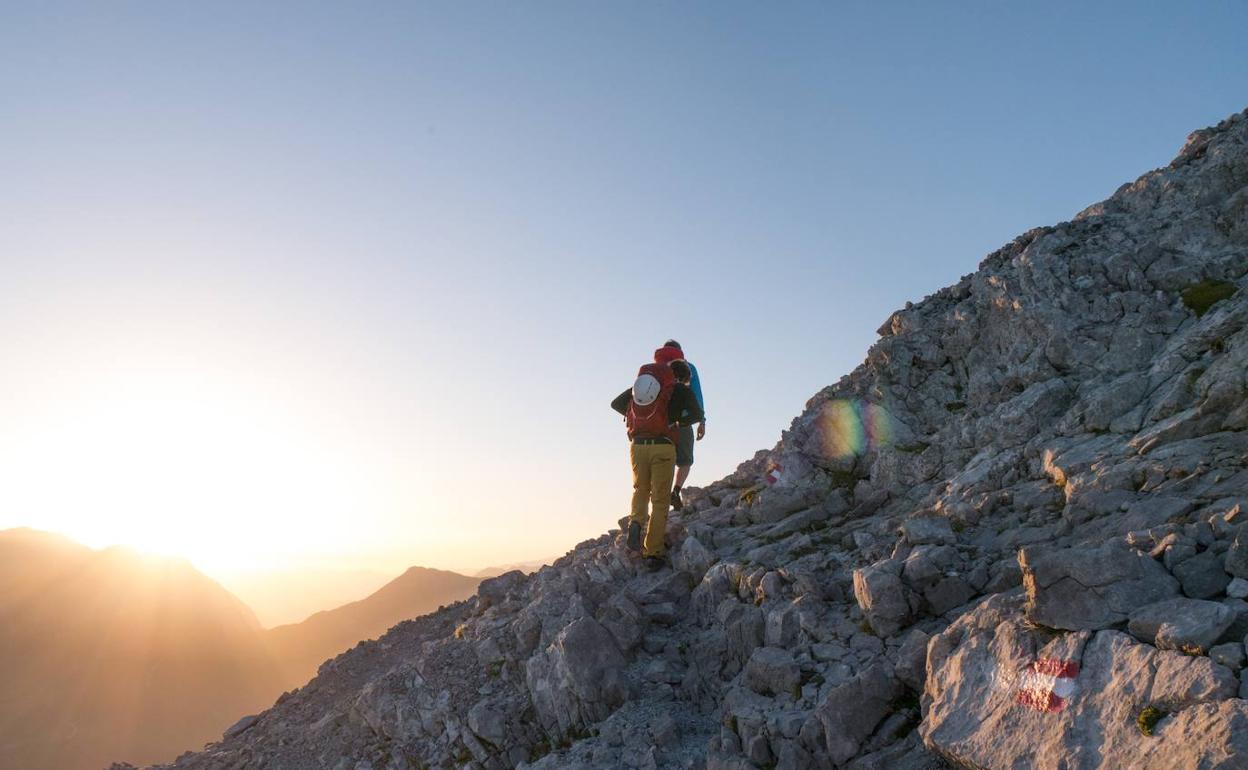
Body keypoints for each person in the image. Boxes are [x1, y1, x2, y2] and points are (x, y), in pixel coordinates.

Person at [611, 358, 704, 569]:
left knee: (640, 489)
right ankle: (653, 552)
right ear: (684, 378)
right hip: (663, 446)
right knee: (660, 500)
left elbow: (616, 404)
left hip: (637, 446)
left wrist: (636, 416)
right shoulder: (679, 390)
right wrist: (678, 420)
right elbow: (697, 414)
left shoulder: (649, 385)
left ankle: (636, 522)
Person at [652, 340, 705, 510]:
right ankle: (675, 492)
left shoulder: (656, 369)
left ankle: (659, 497)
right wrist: (702, 421)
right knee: (685, 460)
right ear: (680, 352)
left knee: (663, 459)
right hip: (682, 420)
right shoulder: (688, 367)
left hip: (658, 422)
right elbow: (696, 394)